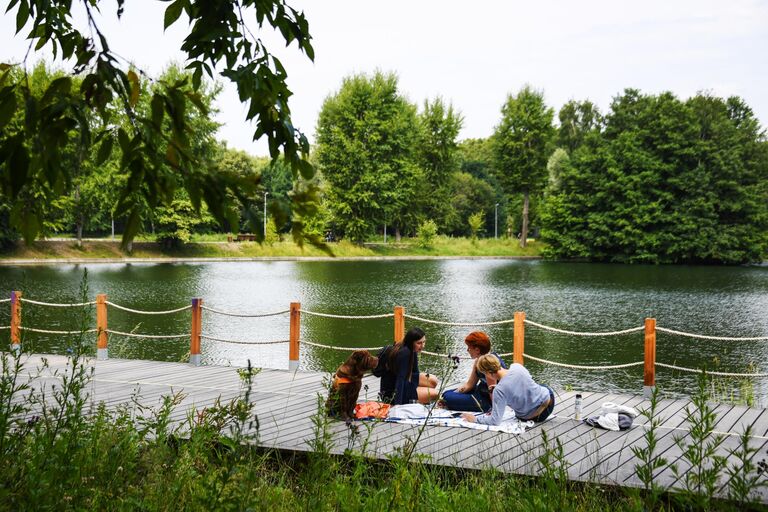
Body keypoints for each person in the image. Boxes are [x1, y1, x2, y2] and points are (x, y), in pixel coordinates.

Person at [461, 354, 554, 425]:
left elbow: (495, 421)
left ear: (488, 373)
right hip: (549, 400)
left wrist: (475, 419)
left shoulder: (500, 391)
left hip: (533, 417)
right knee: (539, 386)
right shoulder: (517, 367)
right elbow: (525, 383)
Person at [441, 331, 506, 412]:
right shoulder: (479, 360)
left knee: (447, 398)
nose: (467, 350)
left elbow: (492, 391)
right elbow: (470, 385)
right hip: (480, 391)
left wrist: (495, 411)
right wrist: (456, 392)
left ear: (477, 350)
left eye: (469, 348)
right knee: (446, 394)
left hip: (485, 401)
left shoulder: (487, 363)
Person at [378, 327, 439, 405]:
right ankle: (410, 401)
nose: (423, 346)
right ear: (411, 342)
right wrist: (397, 406)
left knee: (433, 380)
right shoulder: (405, 354)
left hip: (407, 381)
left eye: (424, 342)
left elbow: (416, 372)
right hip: (393, 391)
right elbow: (400, 380)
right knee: (435, 394)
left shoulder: (412, 349)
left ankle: (417, 400)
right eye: (419, 343)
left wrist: (417, 387)